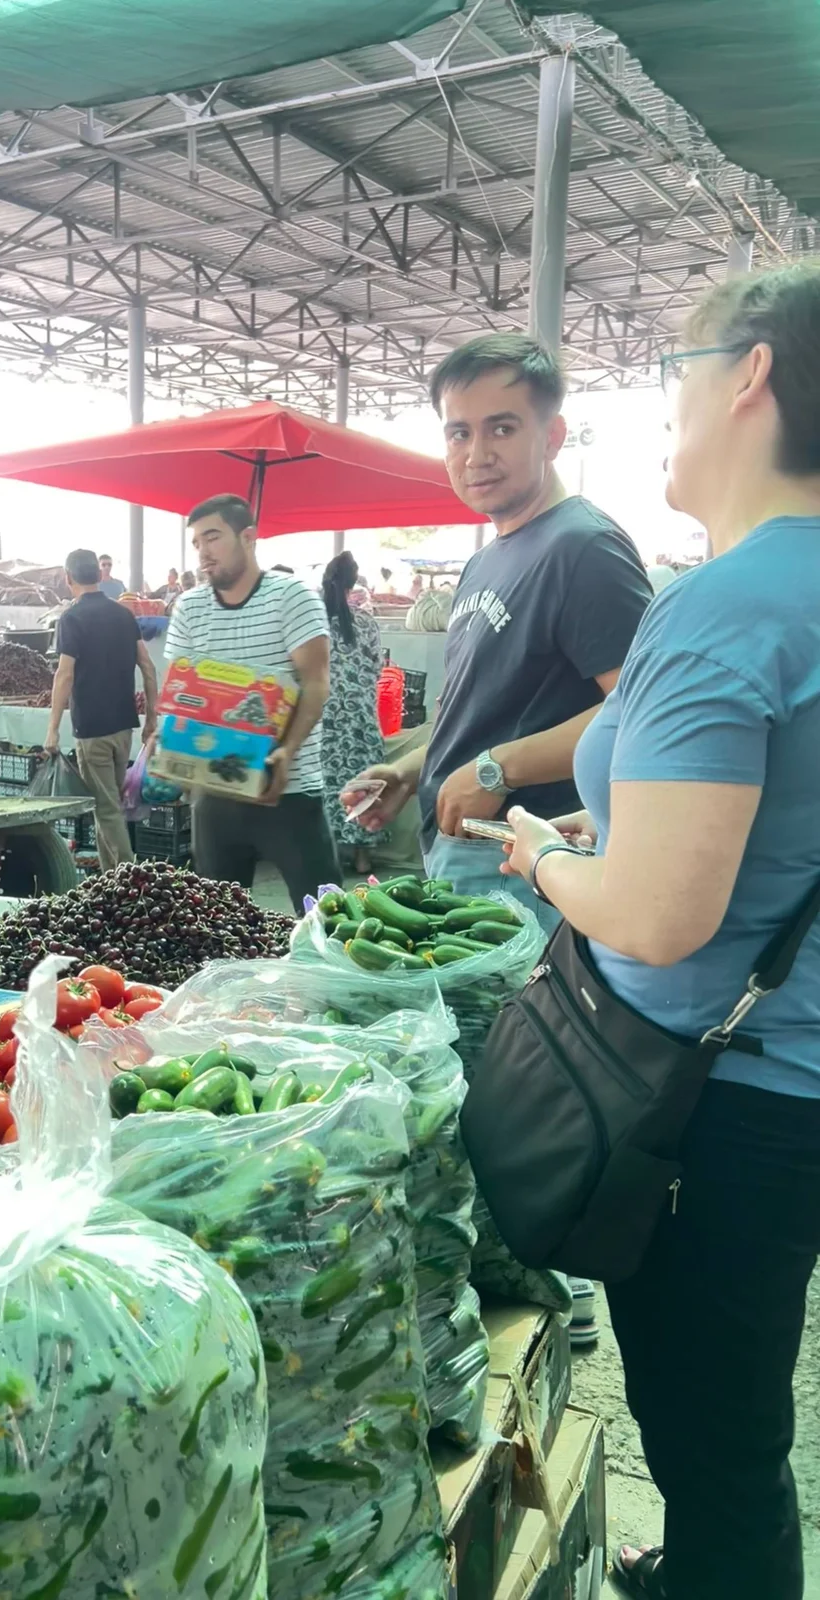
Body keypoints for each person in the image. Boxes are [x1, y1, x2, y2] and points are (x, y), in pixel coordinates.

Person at [501, 265, 820, 1600]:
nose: (668, 413)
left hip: (716, 1105)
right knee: (738, 1423)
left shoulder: (731, 602)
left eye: (680, 375)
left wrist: (543, 855)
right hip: (791, 1071)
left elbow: (660, 915)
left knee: (717, 1437)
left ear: (749, 376)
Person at [346, 333, 651, 935]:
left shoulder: (584, 549)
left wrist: (494, 770)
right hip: (460, 848)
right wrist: (411, 770)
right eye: (459, 432)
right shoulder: (489, 557)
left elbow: (642, 713)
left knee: (500, 1026)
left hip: (526, 858)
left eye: (502, 429)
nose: (476, 453)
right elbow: (483, 703)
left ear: (553, 436)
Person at [167, 494, 340, 912]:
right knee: (218, 924)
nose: (203, 552)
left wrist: (286, 750)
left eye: (213, 537)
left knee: (325, 918)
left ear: (248, 537)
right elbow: (182, 694)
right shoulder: (189, 608)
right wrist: (169, 744)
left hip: (289, 791)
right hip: (215, 795)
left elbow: (315, 684)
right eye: (196, 543)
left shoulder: (292, 597)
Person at [44, 549, 158, 872]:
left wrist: (52, 728)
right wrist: (150, 718)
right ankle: (109, 882)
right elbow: (148, 668)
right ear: (99, 574)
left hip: (91, 730)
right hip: (124, 727)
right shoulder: (124, 615)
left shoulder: (71, 618)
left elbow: (64, 674)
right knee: (107, 807)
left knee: (107, 809)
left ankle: (132, 882)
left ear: (68, 579)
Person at [319, 552, 386, 875]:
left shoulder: (314, 622)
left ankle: (330, 851)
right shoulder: (366, 621)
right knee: (362, 780)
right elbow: (376, 669)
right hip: (359, 717)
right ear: (352, 583)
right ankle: (363, 856)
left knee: (327, 783)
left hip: (324, 718)